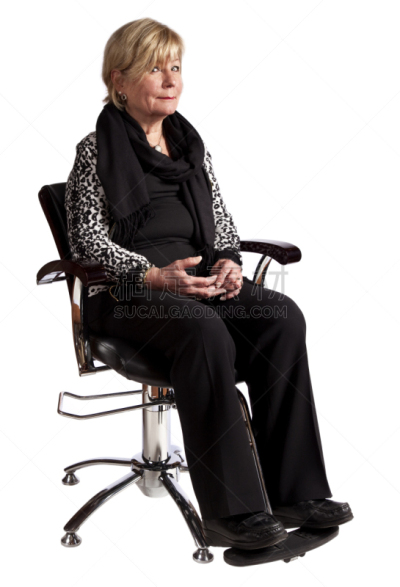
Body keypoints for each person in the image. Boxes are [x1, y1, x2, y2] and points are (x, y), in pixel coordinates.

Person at [65, 17, 353, 550]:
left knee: (281, 317)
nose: (171, 79)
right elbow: (86, 242)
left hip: (196, 287)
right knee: (203, 330)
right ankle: (232, 513)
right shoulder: (95, 150)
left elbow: (220, 223)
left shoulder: (190, 147)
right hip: (128, 295)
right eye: (155, 68)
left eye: (176, 67)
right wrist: (153, 275)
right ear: (119, 80)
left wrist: (228, 263)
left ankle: (297, 494)